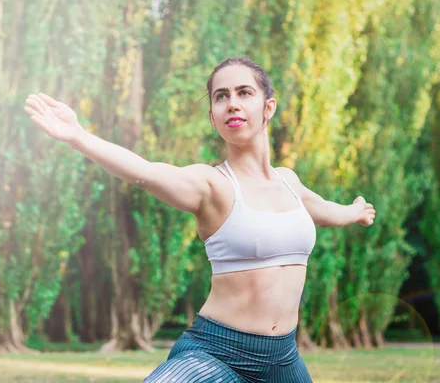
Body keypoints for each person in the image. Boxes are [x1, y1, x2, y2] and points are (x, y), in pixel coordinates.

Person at [24, 56, 376, 383]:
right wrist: (79, 137)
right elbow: (146, 173)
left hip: (283, 358)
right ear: (213, 116)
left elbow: (323, 211)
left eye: (244, 92)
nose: (232, 103)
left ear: (268, 107)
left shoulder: (289, 182)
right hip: (216, 354)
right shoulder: (212, 185)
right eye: (221, 96)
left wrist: (354, 212)